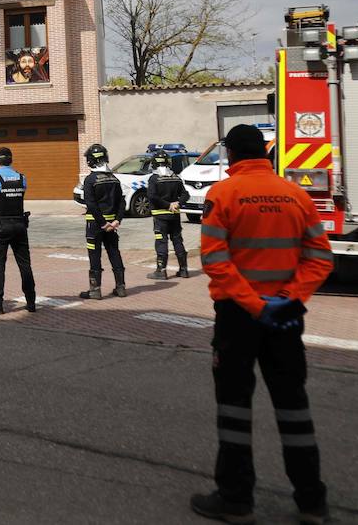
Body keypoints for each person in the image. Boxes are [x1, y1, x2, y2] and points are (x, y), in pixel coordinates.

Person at [190, 124, 333, 525]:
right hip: (285, 319)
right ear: (266, 153)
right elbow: (321, 257)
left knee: (235, 407)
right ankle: (312, 503)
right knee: (293, 406)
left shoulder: (223, 194)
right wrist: (289, 299)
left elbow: (215, 260)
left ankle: (236, 500)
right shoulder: (296, 194)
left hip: (238, 317)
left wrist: (254, 305)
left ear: (231, 155)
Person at [0, 146, 36, 313]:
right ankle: (31, 302)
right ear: (11, 160)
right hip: (19, 225)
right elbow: (21, 193)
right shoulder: (21, 177)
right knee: (25, 264)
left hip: (0, 226)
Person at [79, 144, 127, 299]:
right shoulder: (114, 179)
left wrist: (102, 223)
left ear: (91, 160)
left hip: (95, 225)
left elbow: (91, 204)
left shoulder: (90, 180)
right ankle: (121, 287)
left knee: (94, 255)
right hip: (112, 225)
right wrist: (117, 220)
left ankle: (95, 290)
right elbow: (122, 202)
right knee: (114, 253)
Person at [145, 151, 191, 280]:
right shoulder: (176, 177)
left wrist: (167, 205)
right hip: (174, 215)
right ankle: (183, 269)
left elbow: (152, 196)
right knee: (177, 240)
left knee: (161, 242)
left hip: (160, 216)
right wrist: (177, 203)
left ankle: (161, 271)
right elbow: (186, 194)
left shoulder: (154, 178)